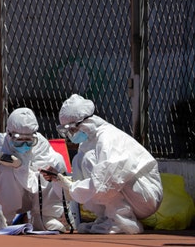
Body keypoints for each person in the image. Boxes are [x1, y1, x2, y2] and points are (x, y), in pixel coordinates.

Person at [49, 94, 163, 234]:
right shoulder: (87, 143)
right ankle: (109, 217)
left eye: (72, 129)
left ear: (86, 122)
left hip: (145, 195)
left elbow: (105, 183)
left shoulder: (108, 138)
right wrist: (61, 181)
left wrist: (72, 186)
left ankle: (122, 220)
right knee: (80, 160)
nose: (71, 134)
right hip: (131, 193)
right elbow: (91, 186)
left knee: (89, 161)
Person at [0, 108, 72, 232]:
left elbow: (38, 183)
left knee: (56, 161)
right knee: (6, 169)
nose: (24, 144)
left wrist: (20, 167)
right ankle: (2, 217)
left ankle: (44, 216)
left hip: (33, 196)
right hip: (8, 198)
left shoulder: (41, 145)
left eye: (29, 140)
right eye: (19, 140)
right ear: (9, 134)